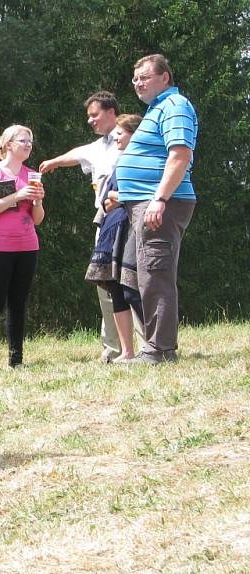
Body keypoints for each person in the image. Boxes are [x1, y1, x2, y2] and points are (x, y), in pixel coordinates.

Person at [39, 91, 144, 362]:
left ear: (111, 112)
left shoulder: (136, 139)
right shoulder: (98, 147)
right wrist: (54, 162)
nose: (90, 121)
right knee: (107, 286)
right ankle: (114, 348)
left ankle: (147, 347)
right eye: (88, 116)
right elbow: (77, 154)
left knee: (135, 283)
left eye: (95, 115)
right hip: (106, 222)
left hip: (132, 220)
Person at [116, 54, 198, 365]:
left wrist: (160, 199)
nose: (138, 83)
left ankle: (160, 350)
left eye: (145, 78)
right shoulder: (157, 109)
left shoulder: (175, 106)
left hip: (161, 204)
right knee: (144, 275)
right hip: (146, 204)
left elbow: (180, 155)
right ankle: (154, 346)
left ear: (165, 78)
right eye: (135, 79)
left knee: (156, 275)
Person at [0, 125, 45, 371]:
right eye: (23, 140)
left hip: (28, 247)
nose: (28, 144)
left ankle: (16, 361)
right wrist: (16, 196)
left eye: (31, 140)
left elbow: (38, 219)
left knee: (18, 304)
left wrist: (37, 201)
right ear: (8, 144)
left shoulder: (31, 174)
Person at [84, 114, 144, 361]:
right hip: (113, 229)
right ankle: (127, 351)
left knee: (134, 288)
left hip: (133, 229)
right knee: (116, 288)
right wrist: (114, 199)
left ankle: (151, 346)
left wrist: (119, 198)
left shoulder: (144, 159)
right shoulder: (120, 162)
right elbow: (107, 199)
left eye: (120, 133)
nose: (116, 138)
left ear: (134, 134)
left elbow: (144, 193)